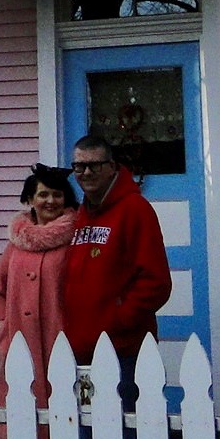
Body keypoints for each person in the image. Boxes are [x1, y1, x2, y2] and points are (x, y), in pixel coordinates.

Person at [62, 133, 172, 378]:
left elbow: (156, 283)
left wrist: (116, 320)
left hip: (125, 352)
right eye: (79, 166)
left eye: (95, 165)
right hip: (79, 352)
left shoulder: (135, 210)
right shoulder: (79, 216)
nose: (87, 173)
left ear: (111, 167)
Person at [0, 164, 78, 439]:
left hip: (59, 340)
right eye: (43, 195)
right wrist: (3, 327)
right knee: (23, 418)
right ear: (30, 200)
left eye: (58, 195)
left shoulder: (73, 240)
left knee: (64, 420)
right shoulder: (16, 244)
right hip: (20, 343)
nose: (50, 201)